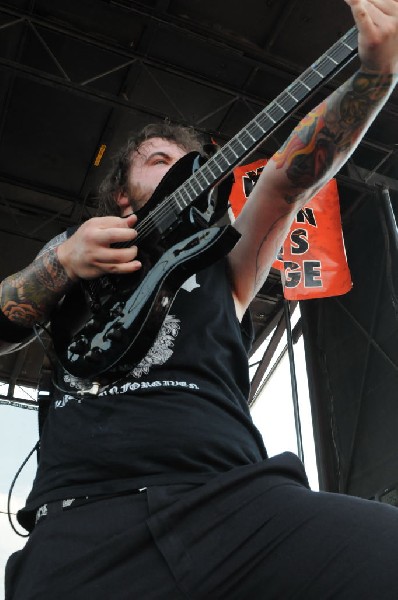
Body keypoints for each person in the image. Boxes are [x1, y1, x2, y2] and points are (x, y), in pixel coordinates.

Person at [2, 0, 398, 597]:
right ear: (123, 199)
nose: (178, 171)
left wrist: (374, 74)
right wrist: (60, 263)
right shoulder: (75, 255)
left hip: (237, 506)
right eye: (158, 161)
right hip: (83, 525)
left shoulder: (224, 260)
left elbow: (291, 177)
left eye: (189, 165)